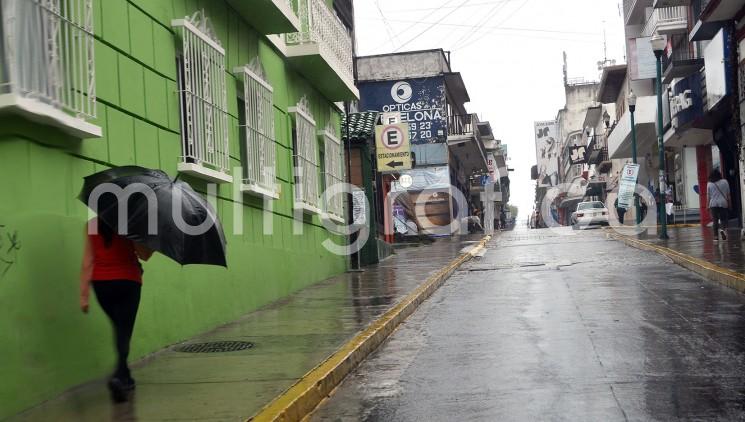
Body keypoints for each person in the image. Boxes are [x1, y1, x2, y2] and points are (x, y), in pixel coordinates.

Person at [80, 218, 153, 402]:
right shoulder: (131, 224)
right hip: (128, 281)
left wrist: (83, 295)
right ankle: (119, 376)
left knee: (119, 327)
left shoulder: (91, 225)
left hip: (101, 284)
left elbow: (88, 261)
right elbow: (144, 255)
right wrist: (150, 240)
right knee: (124, 329)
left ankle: (125, 374)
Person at [707, 169, 731, 241]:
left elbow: (708, 196)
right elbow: (728, 195)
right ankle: (722, 230)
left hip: (713, 204)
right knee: (724, 219)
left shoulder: (709, 183)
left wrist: (707, 206)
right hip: (723, 203)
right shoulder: (725, 182)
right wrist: (730, 204)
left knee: (715, 220)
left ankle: (716, 237)